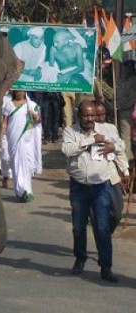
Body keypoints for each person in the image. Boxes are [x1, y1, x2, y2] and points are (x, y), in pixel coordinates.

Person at [61, 100, 122, 283]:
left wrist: (113, 147)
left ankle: (106, 267)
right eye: (86, 115)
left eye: (92, 116)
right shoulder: (70, 132)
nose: (89, 119)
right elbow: (67, 149)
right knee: (79, 226)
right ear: (79, 116)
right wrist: (90, 141)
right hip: (79, 186)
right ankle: (80, 258)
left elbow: (121, 146)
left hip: (100, 186)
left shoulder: (106, 130)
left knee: (102, 227)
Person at [94, 101, 130, 233]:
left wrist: (125, 171)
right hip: (94, 178)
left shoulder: (111, 128)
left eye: (102, 114)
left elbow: (120, 150)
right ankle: (102, 238)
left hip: (111, 175)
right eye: (96, 115)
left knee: (117, 211)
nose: (99, 118)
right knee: (98, 213)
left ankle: (105, 233)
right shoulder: (84, 129)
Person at [1, 90, 42, 202]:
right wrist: (1, 136)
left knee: (28, 164)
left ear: (25, 92)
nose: (20, 93)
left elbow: (38, 120)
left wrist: (32, 114)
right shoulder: (8, 105)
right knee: (16, 164)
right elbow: (5, 123)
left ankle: (27, 191)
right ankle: (20, 191)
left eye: (22, 91)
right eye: (18, 91)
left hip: (28, 139)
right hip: (14, 138)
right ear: (14, 91)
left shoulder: (32, 105)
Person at [117, 59, 136, 163]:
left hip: (129, 110)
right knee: (123, 136)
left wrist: (122, 106)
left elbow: (133, 97)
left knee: (127, 137)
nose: (124, 70)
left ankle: (129, 160)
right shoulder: (122, 79)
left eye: (126, 68)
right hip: (121, 110)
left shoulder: (133, 80)